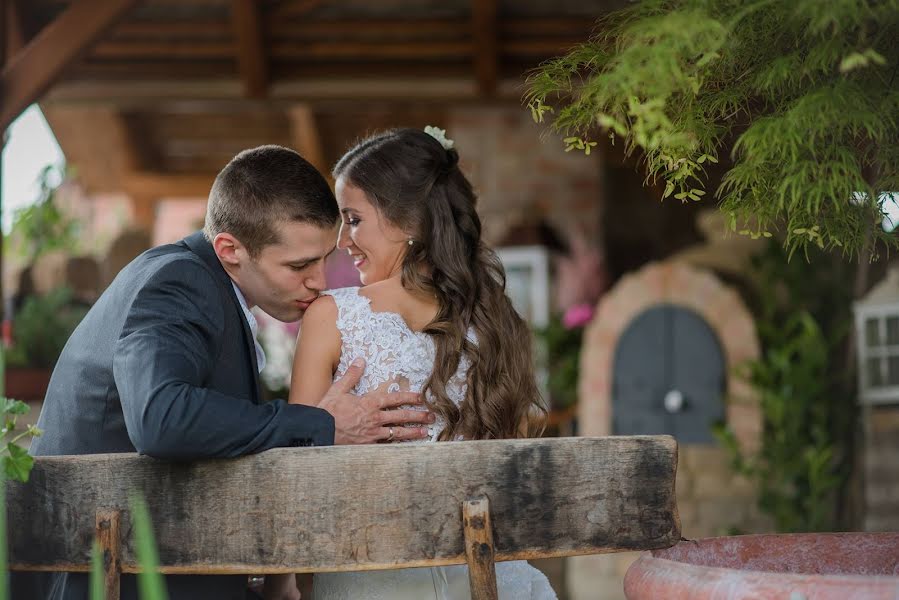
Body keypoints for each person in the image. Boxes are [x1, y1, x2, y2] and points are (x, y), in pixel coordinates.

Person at [14, 145, 434, 600]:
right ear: (230, 249)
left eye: (321, 260)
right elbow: (162, 418)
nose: (320, 281)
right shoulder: (176, 281)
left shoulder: (204, 283)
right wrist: (324, 423)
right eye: (298, 265)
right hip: (108, 579)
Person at [267, 128, 555, 599]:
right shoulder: (496, 319)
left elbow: (301, 479)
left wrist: (280, 586)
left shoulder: (332, 317)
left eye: (354, 219)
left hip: (374, 581)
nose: (343, 241)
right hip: (493, 579)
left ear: (409, 223)